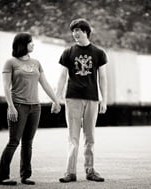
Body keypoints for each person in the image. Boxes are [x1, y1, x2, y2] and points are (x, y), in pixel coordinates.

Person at [0, 32, 61, 185]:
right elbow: (6, 86)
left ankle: (26, 175)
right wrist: (11, 106)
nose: (33, 44)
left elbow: (44, 83)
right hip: (18, 106)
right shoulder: (10, 62)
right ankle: (2, 176)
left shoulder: (36, 62)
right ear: (22, 44)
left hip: (35, 107)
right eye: (30, 42)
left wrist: (56, 101)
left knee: (28, 142)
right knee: (14, 142)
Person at [53, 18, 108, 183]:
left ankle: (90, 170)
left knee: (90, 137)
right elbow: (62, 77)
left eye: (78, 30)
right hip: (73, 98)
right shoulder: (68, 52)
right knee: (73, 138)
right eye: (73, 31)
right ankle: (70, 172)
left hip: (92, 99)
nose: (75, 34)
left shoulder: (99, 53)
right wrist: (57, 98)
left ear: (86, 31)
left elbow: (103, 78)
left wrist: (104, 100)